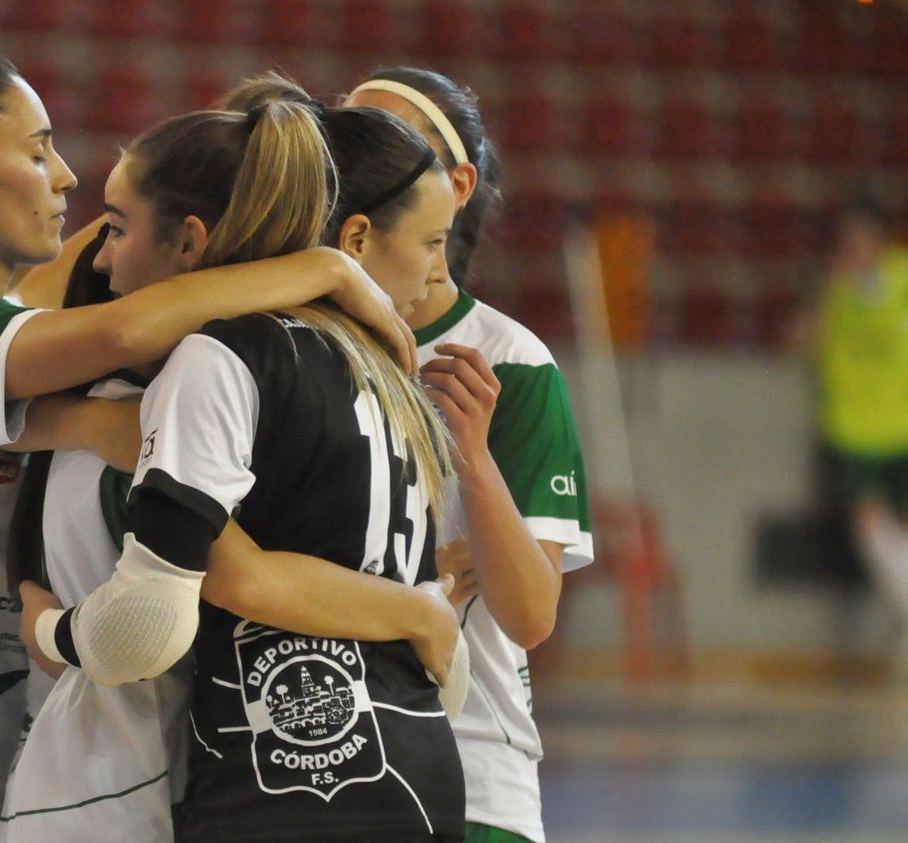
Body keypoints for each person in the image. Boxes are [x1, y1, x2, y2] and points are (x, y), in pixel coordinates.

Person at [0, 21, 417, 843]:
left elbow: (136, 248)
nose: (66, 176)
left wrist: (228, 165)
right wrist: (324, 268)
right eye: (40, 151)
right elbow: (123, 325)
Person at [1, 92, 471, 841]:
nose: (98, 253)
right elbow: (447, 658)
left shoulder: (214, 359)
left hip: (276, 783)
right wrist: (421, 614)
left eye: (118, 227)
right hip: (425, 778)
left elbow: (151, 623)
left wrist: (46, 630)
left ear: (191, 241)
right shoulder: (384, 368)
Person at [346, 67, 596, 843]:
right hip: (312, 758)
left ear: (456, 184)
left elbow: (529, 613)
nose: (357, 160)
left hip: (470, 770)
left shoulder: (509, 361)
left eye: (390, 141)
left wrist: (476, 461)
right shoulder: (289, 341)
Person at [812, 198, 908, 679]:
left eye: (862, 236)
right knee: (871, 531)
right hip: (852, 427)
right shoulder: (833, 285)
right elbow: (811, 338)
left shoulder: (902, 277)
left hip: (902, 424)